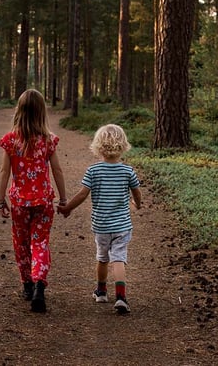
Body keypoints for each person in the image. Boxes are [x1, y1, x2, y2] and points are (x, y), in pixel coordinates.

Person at [58, 123, 142, 314]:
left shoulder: (93, 171)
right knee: (119, 259)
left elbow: (81, 195)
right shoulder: (128, 171)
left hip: (102, 225)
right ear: (123, 145)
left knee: (103, 258)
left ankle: (102, 291)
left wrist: (67, 208)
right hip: (122, 226)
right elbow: (137, 193)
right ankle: (121, 297)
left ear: (98, 146)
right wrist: (138, 204)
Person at [0, 89, 67, 313]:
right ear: (41, 112)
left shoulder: (11, 140)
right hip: (43, 201)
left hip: (19, 202)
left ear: (20, 111)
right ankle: (39, 284)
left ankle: (27, 285)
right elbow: (56, 169)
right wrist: (63, 197)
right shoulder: (47, 140)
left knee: (21, 243)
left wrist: (1, 200)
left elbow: (4, 171)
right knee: (40, 242)